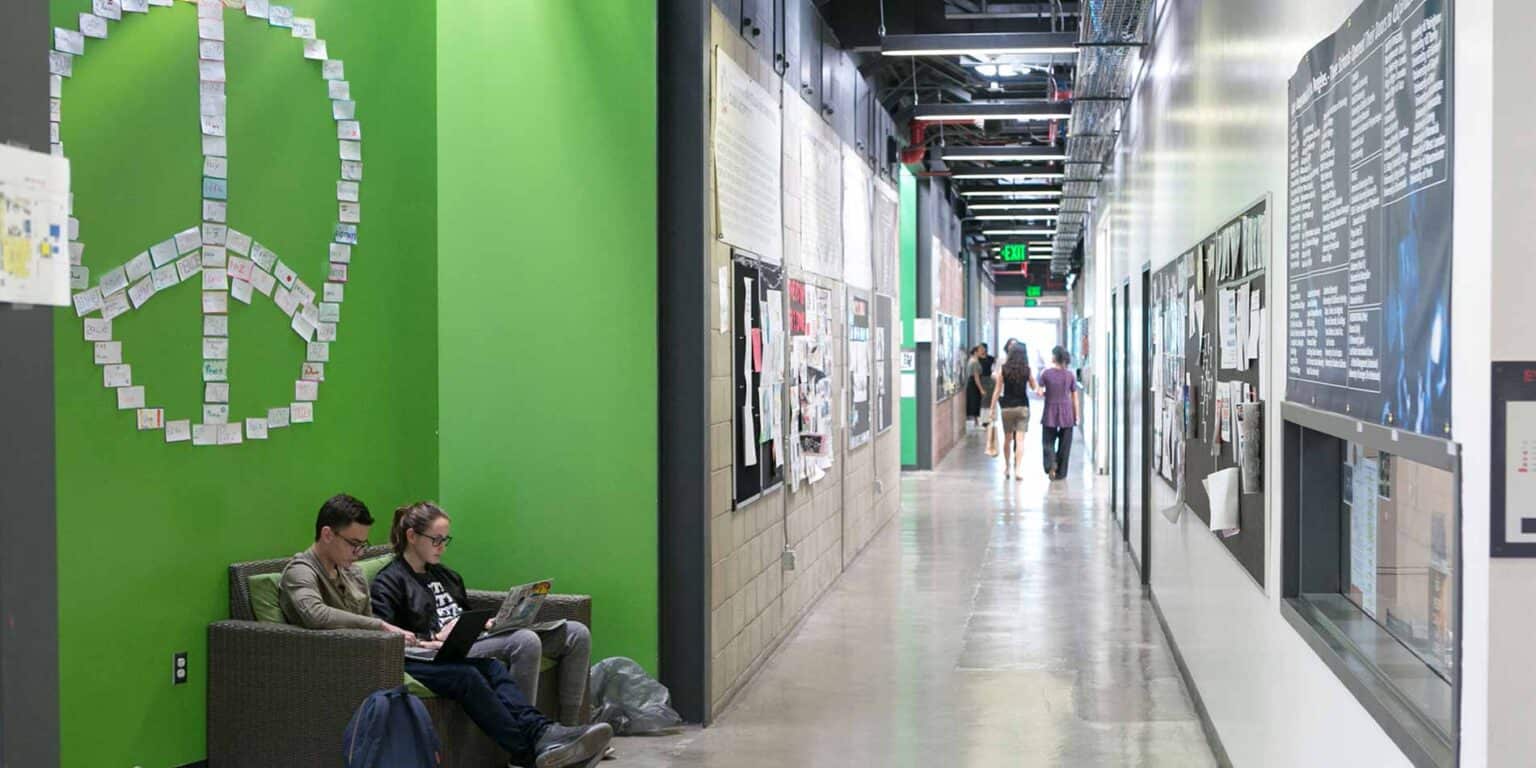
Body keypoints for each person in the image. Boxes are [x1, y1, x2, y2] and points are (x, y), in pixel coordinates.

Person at [280, 493, 611, 768]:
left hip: (396, 648)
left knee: (490, 667)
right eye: (354, 544)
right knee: (466, 677)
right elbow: (316, 615)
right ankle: (530, 749)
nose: (359, 553)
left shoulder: (349, 572)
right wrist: (383, 627)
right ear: (327, 534)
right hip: (369, 656)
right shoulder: (301, 571)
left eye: (363, 546)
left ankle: (545, 734)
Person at [372, 501, 593, 726]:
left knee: (577, 633)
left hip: (476, 638)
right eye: (436, 540)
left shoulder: (448, 576)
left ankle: (570, 729)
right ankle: (529, 733)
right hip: (444, 649)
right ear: (412, 536)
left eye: (445, 540)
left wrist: (489, 623)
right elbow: (387, 637)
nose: (442, 547)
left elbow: (464, 614)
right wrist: (431, 640)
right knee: (524, 641)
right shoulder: (390, 581)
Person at [989, 339, 1037, 480]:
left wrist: (992, 408)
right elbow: (1034, 387)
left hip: (1007, 408)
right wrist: (1039, 388)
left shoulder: (1004, 369)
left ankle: (1006, 467)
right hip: (1022, 407)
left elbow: (997, 391)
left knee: (1007, 439)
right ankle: (1018, 469)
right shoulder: (1027, 370)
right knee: (1020, 440)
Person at [1037, 346, 1081, 480]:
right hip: (1067, 412)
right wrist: (1077, 415)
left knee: (1048, 441)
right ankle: (1061, 472)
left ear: (1054, 358)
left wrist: (1046, 393)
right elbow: (1074, 397)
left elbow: (1039, 392)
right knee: (1065, 444)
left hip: (1050, 410)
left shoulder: (1046, 373)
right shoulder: (1070, 375)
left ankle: (1051, 463)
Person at [965, 345, 995, 427]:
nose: (982, 352)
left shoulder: (973, 360)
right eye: (980, 350)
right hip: (974, 384)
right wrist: (981, 389)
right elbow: (976, 377)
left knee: (975, 402)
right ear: (976, 352)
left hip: (973, 383)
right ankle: (977, 422)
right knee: (975, 402)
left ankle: (977, 422)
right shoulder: (974, 362)